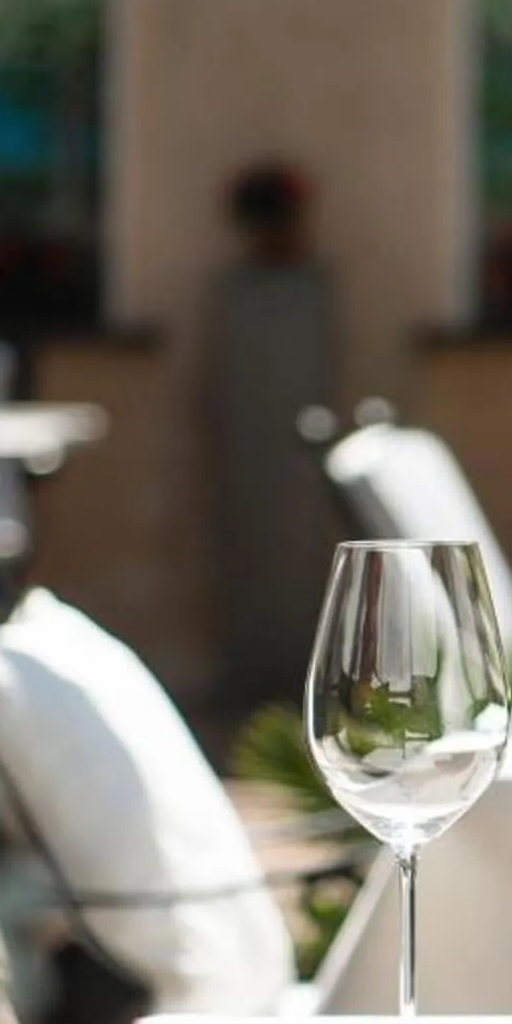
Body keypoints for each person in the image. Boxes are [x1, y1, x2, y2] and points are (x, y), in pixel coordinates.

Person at [207, 163, 339, 702]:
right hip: (249, 447)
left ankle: (301, 676)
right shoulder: (237, 293)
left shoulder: (313, 288)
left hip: (298, 453)